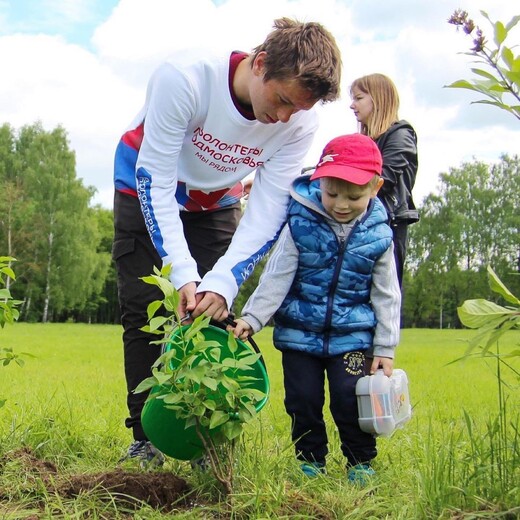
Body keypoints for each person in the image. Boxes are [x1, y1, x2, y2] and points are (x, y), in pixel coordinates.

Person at [112, 17, 342, 466]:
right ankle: (145, 440)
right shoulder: (185, 80)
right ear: (260, 64)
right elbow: (154, 178)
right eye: (280, 101)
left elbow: (269, 208)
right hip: (146, 181)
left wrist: (223, 281)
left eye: (296, 109)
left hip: (215, 199)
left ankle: (206, 440)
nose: (282, 118)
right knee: (144, 309)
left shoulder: (299, 122)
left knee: (213, 312)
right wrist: (181, 270)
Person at [230, 134, 401, 483]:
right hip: (298, 335)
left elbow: (387, 294)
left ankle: (360, 462)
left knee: (349, 398)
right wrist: (253, 317)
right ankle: (310, 461)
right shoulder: (301, 222)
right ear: (318, 182)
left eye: (353, 196)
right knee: (303, 400)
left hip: (351, 337)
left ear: (375, 187)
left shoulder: (379, 235)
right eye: (331, 193)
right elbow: (277, 275)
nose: (340, 204)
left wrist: (384, 347)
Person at [350, 73, 419, 287]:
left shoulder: (401, 135)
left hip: (389, 224)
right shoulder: (364, 141)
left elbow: (382, 180)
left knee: (385, 293)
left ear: (378, 99)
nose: (352, 106)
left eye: (358, 98)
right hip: (363, 223)